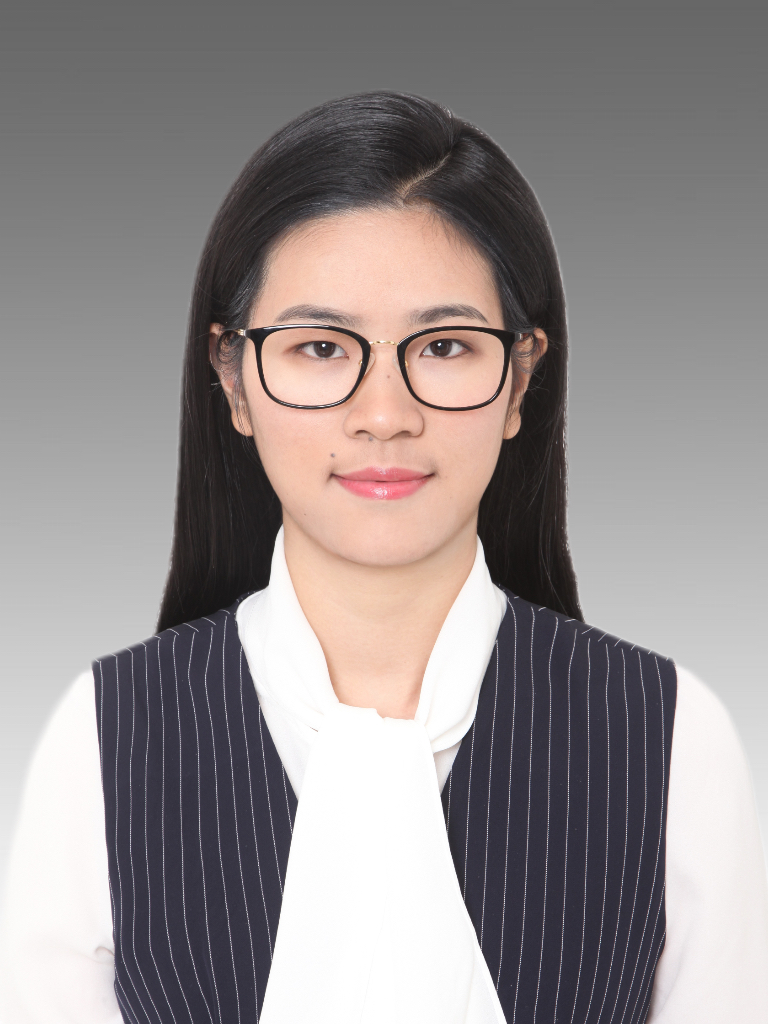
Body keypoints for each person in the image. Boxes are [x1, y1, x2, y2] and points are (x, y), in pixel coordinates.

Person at [1, 91, 766, 1024]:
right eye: (322, 347)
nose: (384, 414)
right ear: (233, 379)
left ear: (520, 379)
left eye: (443, 346)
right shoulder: (102, 739)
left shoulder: (672, 739)